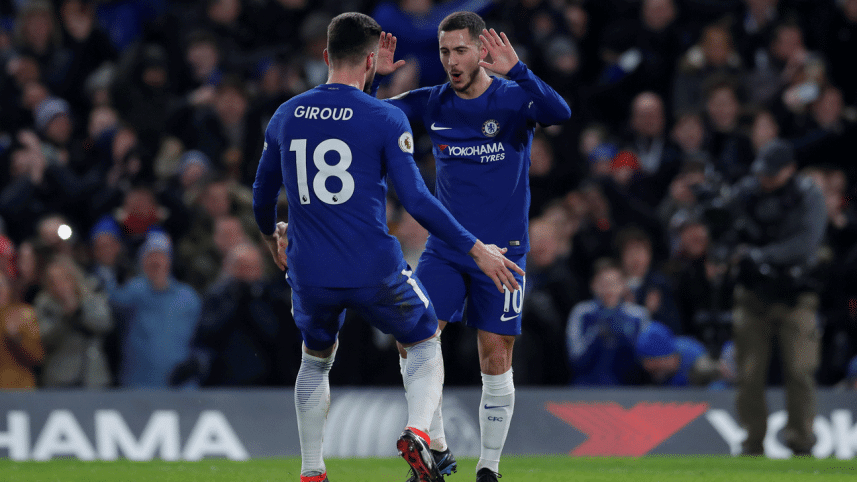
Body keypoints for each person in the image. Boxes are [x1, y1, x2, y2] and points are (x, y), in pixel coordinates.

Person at [251, 13, 524, 482]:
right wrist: (474, 247)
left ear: (326, 57)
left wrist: (274, 232)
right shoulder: (385, 117)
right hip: (373, 267)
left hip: (309, 271)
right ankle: (422, 436)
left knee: (315, 360)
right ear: (371, 60)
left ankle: (312, 471)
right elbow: (416, 199)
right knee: (423, 340)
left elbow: (261, 194)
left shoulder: (287, 114)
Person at [374, 12, 571, 481]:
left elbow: (560, 114)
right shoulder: (430, 102)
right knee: (412, 339)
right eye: (444, 51)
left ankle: (489, 467)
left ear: (482, 50)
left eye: (460, 50)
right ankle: (437, 447)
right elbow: (371, 120)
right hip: (447, 250)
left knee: (495, 356)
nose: (451, 61)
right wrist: (371, 81)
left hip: (505, 252)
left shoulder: (512, 99)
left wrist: (519, 69)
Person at [722, 139, 826, 456]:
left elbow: (806, 244)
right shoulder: (746, 192)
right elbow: (726, 233)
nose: (764, 179)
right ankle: (752, 442)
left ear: (790, 170)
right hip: (753, 296)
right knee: (749, 373)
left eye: (771, 173)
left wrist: (760, 254)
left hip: (796, 296)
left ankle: (802, 442)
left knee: (799, 370)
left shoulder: (809, 195)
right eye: (761, 172)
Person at [566, 258, 648, 386]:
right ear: (593, 285)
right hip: (586, 389)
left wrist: (623, 335)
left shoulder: (638, 315)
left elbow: (645, 361)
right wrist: (597, 333)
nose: (609, 289)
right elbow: (575, 359)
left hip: (628, 390)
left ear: (623, 285)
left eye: (614, 283)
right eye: (604, 284)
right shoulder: (582, 312)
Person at [634, 320, 722, 387]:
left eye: (655, 364)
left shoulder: (691, 356)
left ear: (668, 356)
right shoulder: (643, 370)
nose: (648, 367)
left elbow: (717, 375)